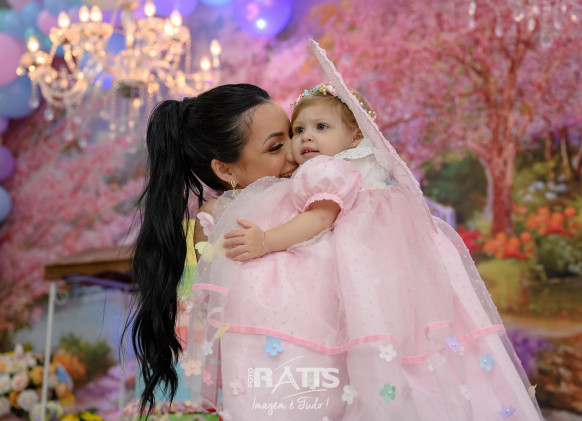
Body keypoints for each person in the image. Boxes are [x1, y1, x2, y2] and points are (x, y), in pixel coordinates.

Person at [190, 40, 544, 420]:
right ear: (225, 169)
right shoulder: (241, 211)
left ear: (354, 135)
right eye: (290, 137)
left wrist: (268, 240)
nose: (300, 144)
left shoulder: (333, 176)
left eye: (316, 129)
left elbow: (322, 221)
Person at [130, 83, 298, 416]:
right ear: (226, 169)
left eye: (294, 135)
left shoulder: (303, 197)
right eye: (277, 146)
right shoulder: (222, 220)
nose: (296, 151)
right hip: (249, 383)